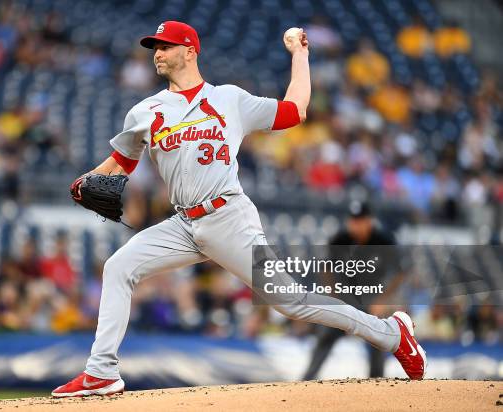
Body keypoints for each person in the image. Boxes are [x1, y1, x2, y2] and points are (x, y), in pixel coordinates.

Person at [52, 21, 426, 398]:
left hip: (228, 217)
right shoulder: (145, 111)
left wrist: (300, 55)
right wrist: (87, 179)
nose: (157, 53)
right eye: (155, 47)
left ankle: (393, 334)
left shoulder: (229, 99)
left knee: (292, 302)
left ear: (190, 51)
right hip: (183, 224)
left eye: (165, 46)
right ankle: (101, 372)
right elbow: (122, 161)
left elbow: (295, 110)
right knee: (119, 267)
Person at [303, 201, 405, 380]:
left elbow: (400, 272)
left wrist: (383, 300)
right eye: (352, 221)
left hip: (370, 297)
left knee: (378, 339)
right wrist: (333, 297)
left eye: (360, 221)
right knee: (325, 335)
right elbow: (325, 267)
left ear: (369, 221)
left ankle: (377, 383)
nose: (355, 225)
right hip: (345, 296)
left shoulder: (384, 240)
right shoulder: (340, 239)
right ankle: (306, 380)